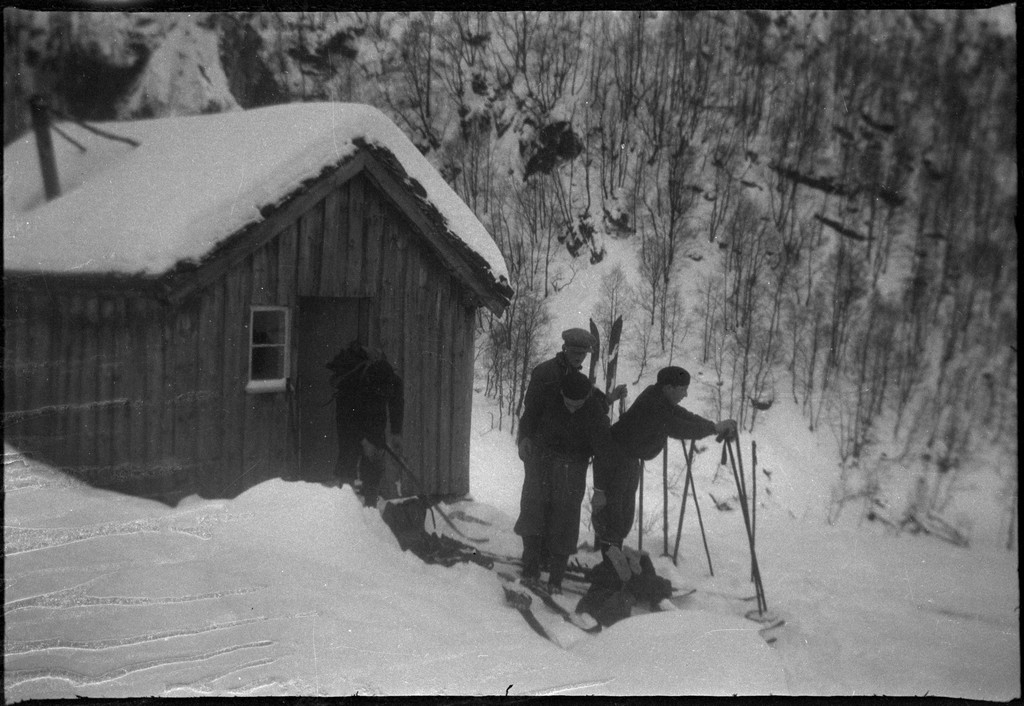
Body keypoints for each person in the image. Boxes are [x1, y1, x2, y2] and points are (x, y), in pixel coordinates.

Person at [591, 365, 737, 557]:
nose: (685, 394)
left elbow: (684, 416)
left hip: (628, 461)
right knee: (613, 516)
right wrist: (714, 429)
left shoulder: (659, 397)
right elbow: (678, 427)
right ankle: (609, 566)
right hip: (615, 461)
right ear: (668, 387)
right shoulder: (654, 404)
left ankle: (613, 562)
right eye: (682, 389)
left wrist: (713, 426)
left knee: (622, 516)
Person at [514, 370, 609, 594]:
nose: (572, 409)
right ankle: (530, 569)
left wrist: (600, 490)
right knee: (533, 512)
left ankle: (556, 579)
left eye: (578, 405)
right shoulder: (547, 394)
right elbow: (528, 418)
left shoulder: (595, 411)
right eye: (568, 403)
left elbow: (603, 453)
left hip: (573, 469)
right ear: (561, 393)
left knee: (565, 521)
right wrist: (524, 438)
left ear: (586, 398)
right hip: (541, 461)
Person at [517, 327, 625, 462]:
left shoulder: (578, 378)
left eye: (583, 353)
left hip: (563, 451)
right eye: (575, 352)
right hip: (539, 447)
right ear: (565, 349)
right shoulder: (545, 372)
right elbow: (530, 409)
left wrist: (610, 398)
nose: (579, 357)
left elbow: (590, 404)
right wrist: (524, 438)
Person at [327, 340, 404, 507]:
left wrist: (396, 432)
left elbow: (396, 404)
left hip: (374, 419)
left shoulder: (392, 381)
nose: (384, 395)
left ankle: (370, 506)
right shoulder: (354, 386)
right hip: (349, 417)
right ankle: (344, 505)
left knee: (374, 461)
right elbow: (350, 420)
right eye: (380, 393)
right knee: (348, 455)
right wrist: (363, 441)